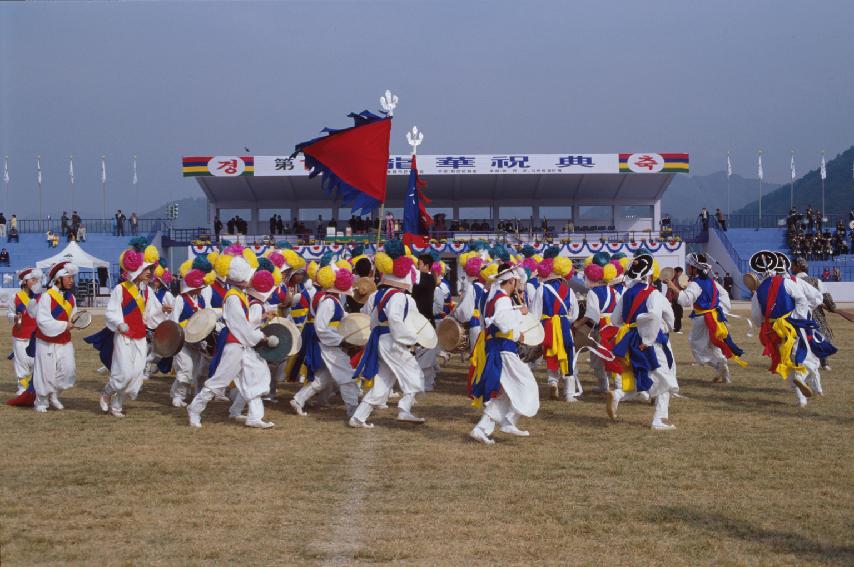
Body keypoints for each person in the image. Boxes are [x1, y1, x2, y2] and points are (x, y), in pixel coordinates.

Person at [187, 250, 277, 428]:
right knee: (219, 381)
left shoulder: (239, 295)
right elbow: (241, 327)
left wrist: (259, 322)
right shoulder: (234, 298)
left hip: (242, 345)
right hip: (235, 345)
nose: (253, 279)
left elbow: (245, 322)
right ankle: (195, 409)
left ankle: (254, 416)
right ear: (243, 279)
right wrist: (261, 337)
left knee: (256, 377)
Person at [350, 240, 426, 428]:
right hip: (392, 340)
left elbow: (368, 315)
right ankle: (404, 409)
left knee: (383, 381)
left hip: (380, 339)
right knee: (415, 373)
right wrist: (411, 339)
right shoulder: (400, 296)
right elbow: (395, 320)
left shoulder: (376, 295)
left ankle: (358, 417)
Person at [468, 264, 540, 445]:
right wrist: (519, 319)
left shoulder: (496, 298)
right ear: (511, 281)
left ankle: (488, 427)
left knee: (507, 390)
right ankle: (506, 421)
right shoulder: (503, 299)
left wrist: (516, 319)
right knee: (526, 384)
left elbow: (500, 319)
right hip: (503, 348)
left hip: (501, 346)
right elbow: (502, 321)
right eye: (516, 281)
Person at [607, 254, 679, 430]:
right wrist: (648, 338)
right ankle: (658, 420)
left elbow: (616, 319)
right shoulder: (654, 294)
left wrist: (632, 326)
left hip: (630, 339)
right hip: (651, 340)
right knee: (665, 378)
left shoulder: (626, 293)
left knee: (642, 375)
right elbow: (666, 319)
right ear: (650, 275)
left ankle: (619, 394)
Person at [95, 240, 160, 417]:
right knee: (123, 373)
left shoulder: (147, 291)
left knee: (135, 374)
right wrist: (119, 323)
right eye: (147, 269)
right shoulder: (120, 289)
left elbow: (152, 312)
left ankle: (117, 405)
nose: (150, 273)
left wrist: (163, 311)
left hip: (140, 338)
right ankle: (107, 392)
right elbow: (111, 312)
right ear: (138, 271)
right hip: (124, 336)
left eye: (150, 270)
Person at [290, 263, 361, 419]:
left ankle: (298, 399)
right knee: (346, 375)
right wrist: (341, 340)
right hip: (329, 344)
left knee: (324, 377)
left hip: (331, 343)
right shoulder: (329, 301)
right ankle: (353, 408)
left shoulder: (333, 300)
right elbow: (320, 327)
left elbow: (343, 318)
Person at [748, 251, 816, 407]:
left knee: (787, 359)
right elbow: (801, 299)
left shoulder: (758, 292)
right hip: (792, 325)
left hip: (774, 330)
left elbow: (757, 317)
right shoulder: (787, 282)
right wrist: (797, 317)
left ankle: (801, 399)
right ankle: (801, 377)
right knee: (804, 356)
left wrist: (766, 324)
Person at [669, 253, 746, 384]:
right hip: (714, 316)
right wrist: (720, 309)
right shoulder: (712, 282)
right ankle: (724, 372)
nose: (687, 268)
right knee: (713, 344)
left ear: (694, 268)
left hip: (702, 319)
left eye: (689, 266)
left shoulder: (696, 284)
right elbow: (724, 294)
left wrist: (673, 287)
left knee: (697, 346)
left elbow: (685, 300)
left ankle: (719, 365)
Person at [531, 249, 580, 401]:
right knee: (568, 356)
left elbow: (534, 314)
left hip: (548, 326)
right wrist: (565, 319)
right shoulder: (569, 290)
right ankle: (569, 393)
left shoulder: (541, 289)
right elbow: (574, 314)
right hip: (564, 326)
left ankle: (553, 382)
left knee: (551, 354)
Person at [32, 261, 79, 412]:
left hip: (64, 340)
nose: (72, 280)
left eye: (72, 277)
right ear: (58, 279)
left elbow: (73, 315)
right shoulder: (46, 297)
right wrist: (64, 325)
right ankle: (41, 401)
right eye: (69, 277)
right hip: (46, 341)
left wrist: (75, 321)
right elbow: (43, 321)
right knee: (45, 371)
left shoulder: (71, 298)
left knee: (68, 371)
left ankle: (54, 394)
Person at [573, 253, 624, 393]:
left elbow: (592, 315)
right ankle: (618, 385)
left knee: (596, 358)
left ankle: (604, 385)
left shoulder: (593, 293)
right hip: (614, 327)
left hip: (600, 328)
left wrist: (578, 324)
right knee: (613, 355)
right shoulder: (614, 291)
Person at [169, 268, 208, 407]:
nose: (201, 289)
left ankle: (179, 393)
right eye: (199, 287)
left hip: (197, 341)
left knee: (195, 370)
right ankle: (178, 397)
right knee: (185, 368)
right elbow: (173, 320)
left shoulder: (201, 299)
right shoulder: (180, 299)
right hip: (182, 341)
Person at [7, 268, 43, 395]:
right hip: (20, 336)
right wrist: (15, 317)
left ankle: (34, 387)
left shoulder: (41, 297)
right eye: (33, 280)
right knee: (21, 362)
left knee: (36, 363)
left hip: (37, 336)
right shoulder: (15, 296)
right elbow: (9, 314)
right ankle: (22, 388)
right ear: (25, 281)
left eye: (37, 280)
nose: (36, 283)